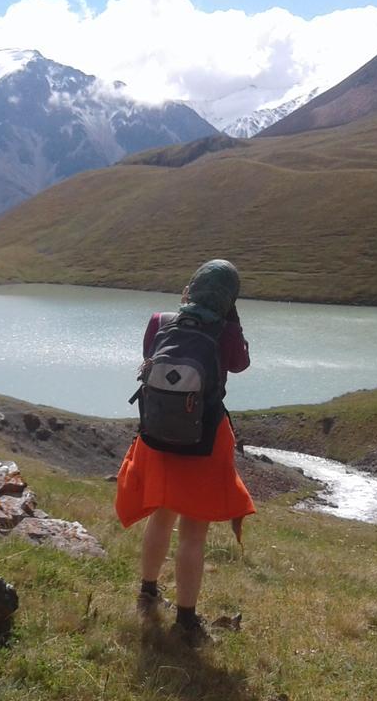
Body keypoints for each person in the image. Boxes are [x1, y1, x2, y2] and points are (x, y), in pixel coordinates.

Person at [113, 258, 255, 647]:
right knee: (194, 533)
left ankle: (147, 591)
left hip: (157, 437)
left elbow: (150, 356)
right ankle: (187, 621)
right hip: (204, 442)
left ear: (190, 287)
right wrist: (232, 320)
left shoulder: (159, 320)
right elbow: (240, 364)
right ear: (229, 298)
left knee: (161, 517)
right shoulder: (225, 333)